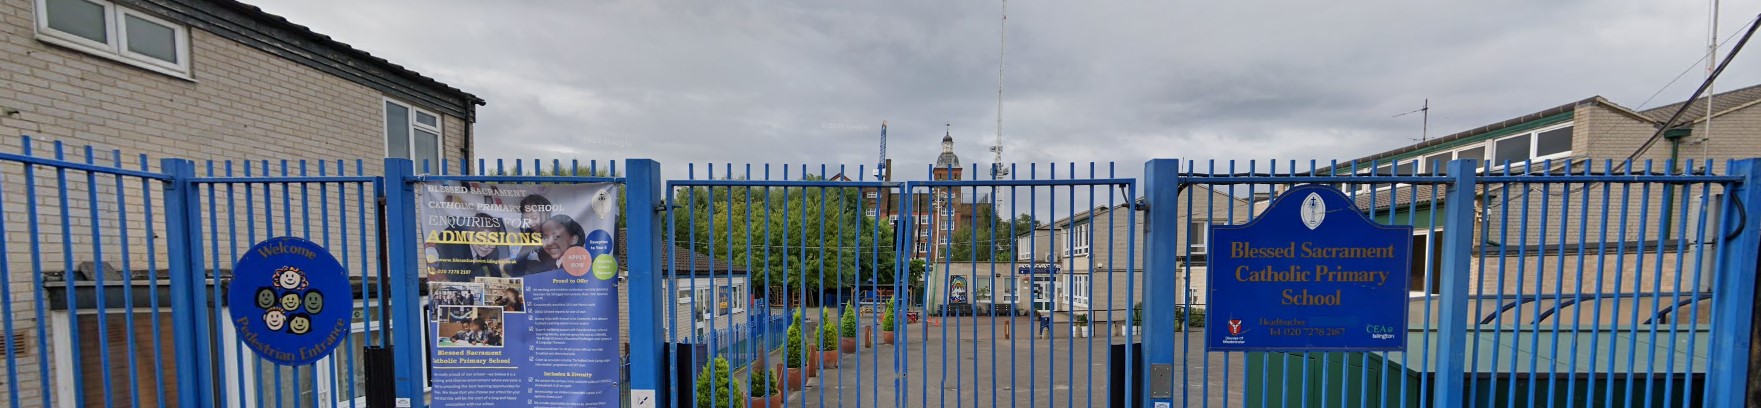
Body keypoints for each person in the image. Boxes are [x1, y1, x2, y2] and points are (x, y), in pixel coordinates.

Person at [511, 214, 586, 276]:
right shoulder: (555, 262)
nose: (549, 242)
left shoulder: (577, 266)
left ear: (573, 239)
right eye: (545, 237)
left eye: (556, 236)